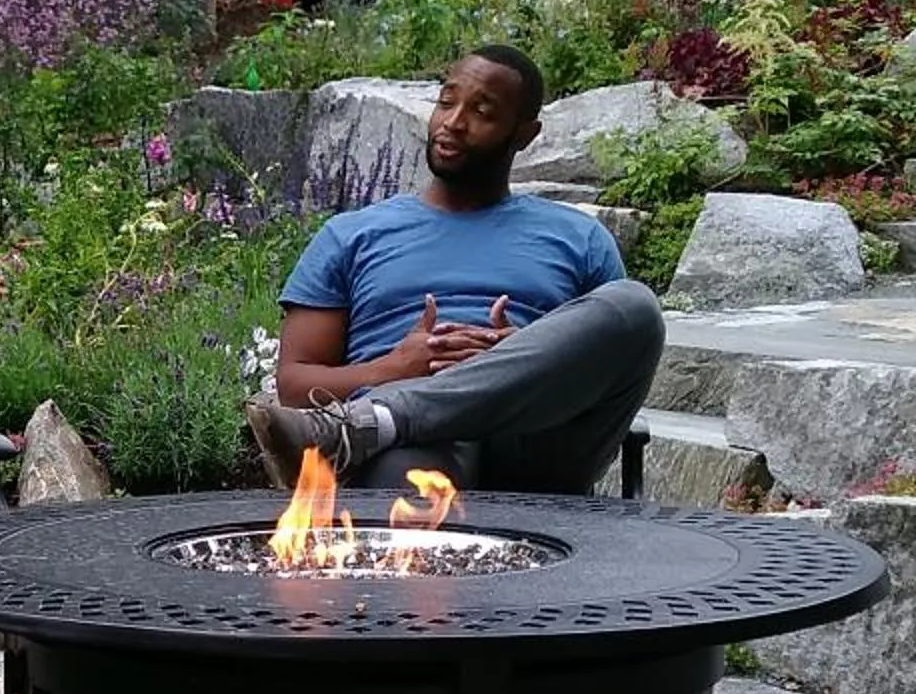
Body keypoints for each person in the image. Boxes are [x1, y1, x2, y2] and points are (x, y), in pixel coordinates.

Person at [254, 44, 663, 495]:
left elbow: (611, 359)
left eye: (482, 111)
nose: (453, 122)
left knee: (635, 306)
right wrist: (393, 369)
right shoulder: (350, 236)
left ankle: (381, 419)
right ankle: (387, 423)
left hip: (536, 446)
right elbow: (294, 385)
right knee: (410, 487)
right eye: (446, 102)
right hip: (411, 450)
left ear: (524, 134)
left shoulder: (579, 238)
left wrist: (521, 359)